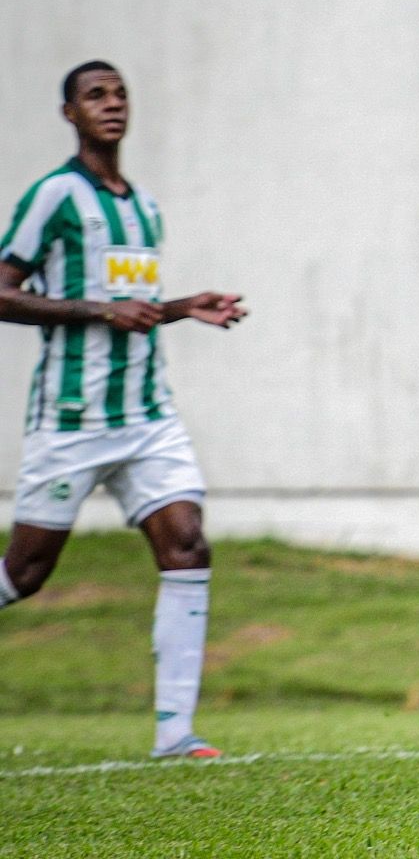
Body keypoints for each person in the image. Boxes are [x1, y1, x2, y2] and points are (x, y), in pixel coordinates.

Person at [0, 61, 247, 759]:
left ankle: (175, 734)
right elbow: (3, 290)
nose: (111, 105)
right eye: (94, 95)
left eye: (119, 93)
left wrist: (181, 307)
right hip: (72, 419)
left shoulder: (142, 207)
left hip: (147, 415)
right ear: (69, 113)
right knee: (24, 575)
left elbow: (128, 310)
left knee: (187, 544)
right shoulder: (53, 197)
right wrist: (98, 309)